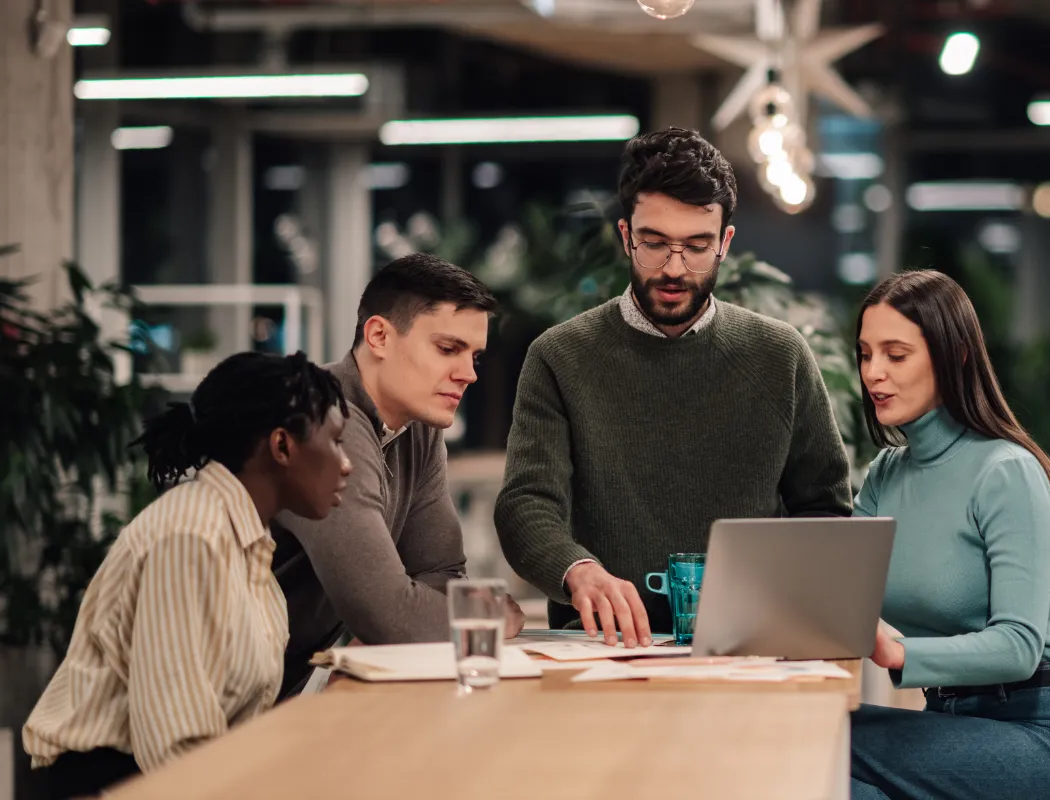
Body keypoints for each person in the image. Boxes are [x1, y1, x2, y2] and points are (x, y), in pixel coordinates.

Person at [495, 126, 852, 647]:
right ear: (625, 236)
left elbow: (824, 509)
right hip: (604, 650)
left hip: (750, 646)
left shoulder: (780, 356)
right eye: (655, 244)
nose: (674, 268)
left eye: (697, 246)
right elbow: (527, 503)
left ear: (725, 243)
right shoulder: (560, 357)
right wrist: (578, 571)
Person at [24, 352, 352, 799]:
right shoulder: (191, 536)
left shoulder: (244, 539)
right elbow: (178, 749)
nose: (347, 463)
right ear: (282, 446)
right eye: (335, 441)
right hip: (114, 785)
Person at [847, 270, 1050, 800]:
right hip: (951, 724)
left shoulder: (1006, 471)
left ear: (957, 356)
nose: (874, 373)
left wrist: (899, 652)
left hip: (1047, 733)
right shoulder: (885, 475)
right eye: (864, 354)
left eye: (896, 356)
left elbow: (1018, 645)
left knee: (828, 738)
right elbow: (842, 595)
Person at [271, 253, 522, 699]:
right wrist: (490, 618)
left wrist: (418, 614)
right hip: (190, 718)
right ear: (380, 336)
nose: (468, 375)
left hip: (274, 695)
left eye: (474, 356)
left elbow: (441, 574)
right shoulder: (325, 423)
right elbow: (387, 613)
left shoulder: (418, 428)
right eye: (448, 349)